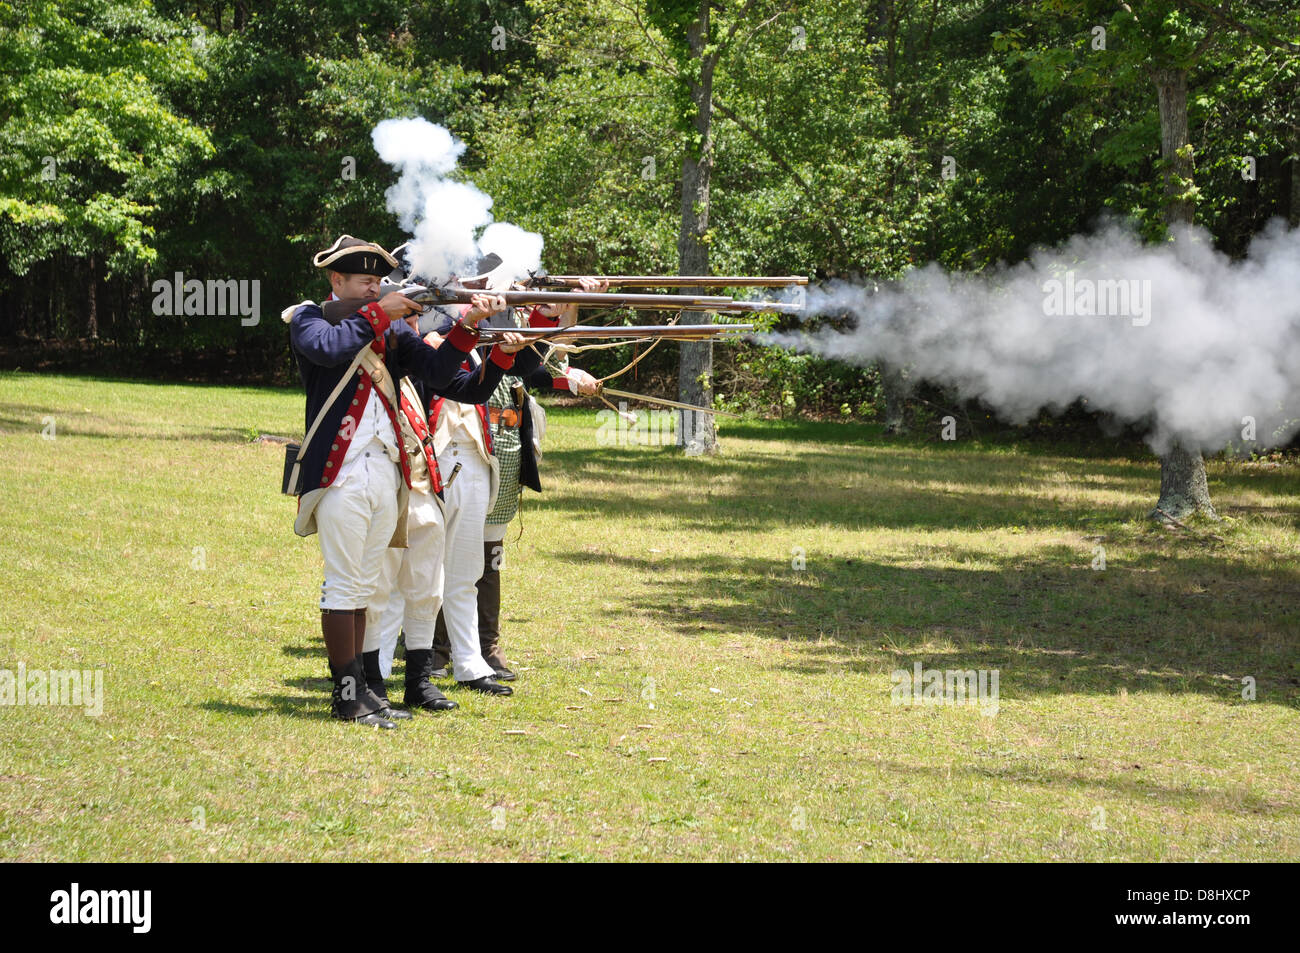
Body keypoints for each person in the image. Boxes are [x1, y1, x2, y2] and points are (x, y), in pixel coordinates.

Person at [285, 235, 525, 728]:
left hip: (389, 475)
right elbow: (327, 350)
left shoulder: (392, 334)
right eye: (365, 281)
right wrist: (382, 311)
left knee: (367, 587)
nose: (375, 288)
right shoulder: (310, 317)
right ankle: (348, 696)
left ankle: (366, 691)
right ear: (337, 281)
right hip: (341, 473)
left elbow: (441, 372)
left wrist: (472, 326)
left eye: (378, 281)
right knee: (346, 588)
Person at [429, 264, 603, 682]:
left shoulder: (509, 325)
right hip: (455, 456)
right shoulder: (440, 329)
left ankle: (486, 644)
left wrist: (570, 300)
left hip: (503, 453)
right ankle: (436, 648)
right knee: (443, 553)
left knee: (489, 555)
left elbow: (537, 364)